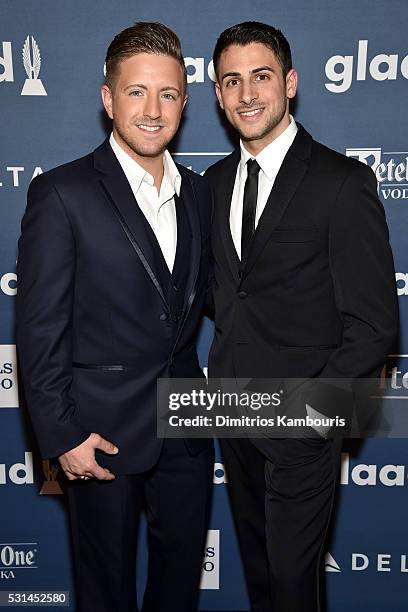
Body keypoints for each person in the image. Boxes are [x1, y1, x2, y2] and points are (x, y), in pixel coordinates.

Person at [16, 22, 214, 612]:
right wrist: (63, 435)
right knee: (104, 591)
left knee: (179, 589)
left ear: (184, 99)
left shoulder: (201, 193)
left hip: (185, 428)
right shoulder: (62, 193)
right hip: (97, 435)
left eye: (169, 94)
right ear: (108, 98)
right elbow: (39, 328)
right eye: (136, 92)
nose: (153, 110)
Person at [205, 21, 398, 612]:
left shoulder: (343, 182)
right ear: (217, 94)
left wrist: (314, 417)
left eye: (261, 77)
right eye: (232, 81)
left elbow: (375, 324)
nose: (247, 95)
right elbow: (225, 296)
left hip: (303, 427)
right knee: (263, 581)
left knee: (294, 588)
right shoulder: (210, 185)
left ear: (290, 83)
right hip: (232, 416)